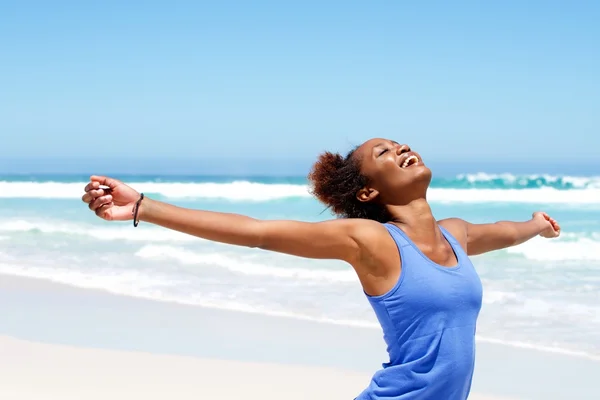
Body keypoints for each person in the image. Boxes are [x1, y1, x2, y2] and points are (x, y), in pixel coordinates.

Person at [81, 139, 560, 399]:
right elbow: (257, 231)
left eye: (397, 144)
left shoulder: (457, 234)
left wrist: (536, 225)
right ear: (369, 192)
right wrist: (144, 206)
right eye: (383, 153)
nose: (400, 149)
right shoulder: (371, 240)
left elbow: (504, 230)